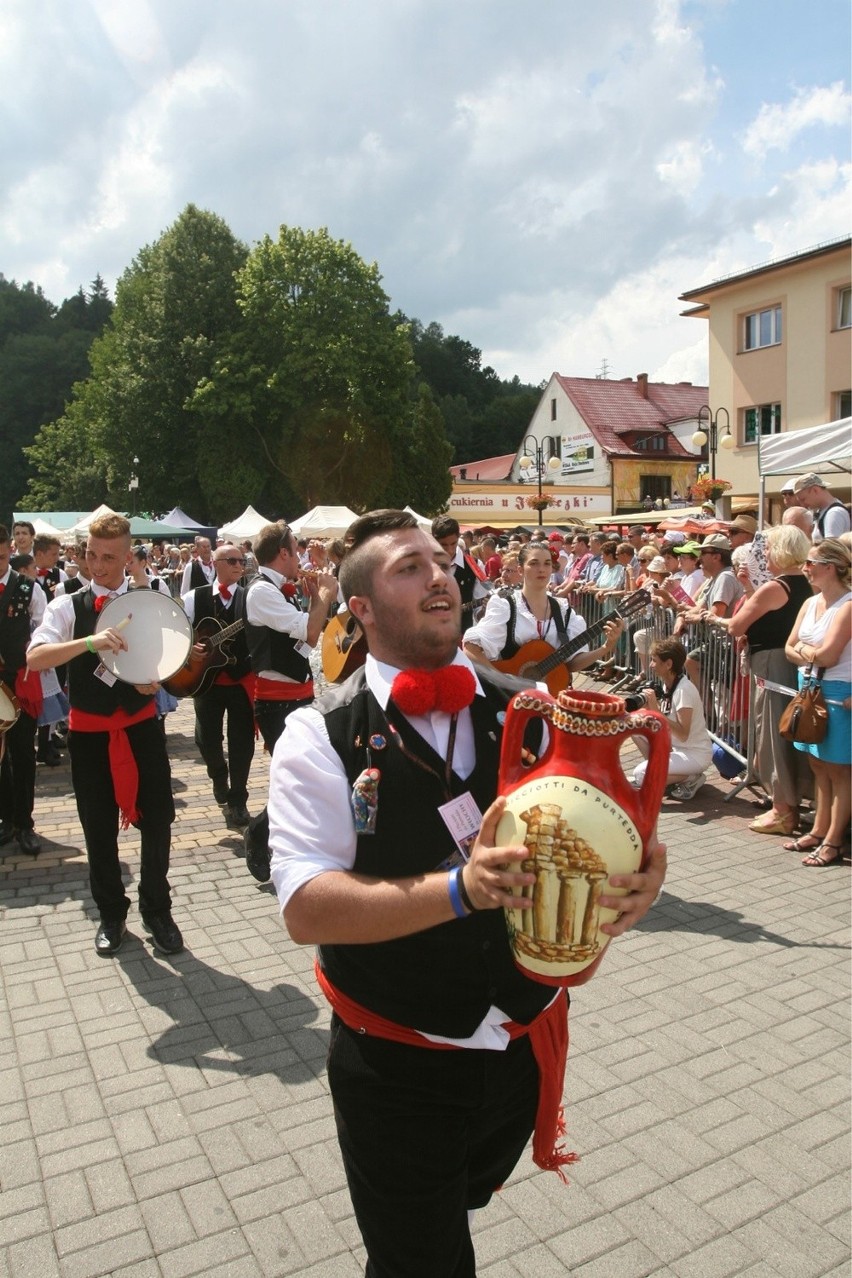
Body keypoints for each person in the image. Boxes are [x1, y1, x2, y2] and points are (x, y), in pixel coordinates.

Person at [268, 509, 666, 1278]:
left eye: (438, 560)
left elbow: (607, 821)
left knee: (456, 1210)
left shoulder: (528, 708)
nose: (439, 575)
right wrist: (461, 890)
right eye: (408, 568)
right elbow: (307, 907)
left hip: (519, 1048)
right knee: (421, 1259)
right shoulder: (319, 736)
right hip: (398, 1063)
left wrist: (645, 869)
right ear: (361, 609)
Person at [26, 513, 182, 956]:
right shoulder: (66, 605)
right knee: (97, 829)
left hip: (141, 728)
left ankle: (158, 910)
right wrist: (89, 643)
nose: (97, 565)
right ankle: (111, 914)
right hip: (89, 735)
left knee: (159, 821)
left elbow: (166, 657)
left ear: (127, 556)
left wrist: (154, 680)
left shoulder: (147, 599)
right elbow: (36, 657)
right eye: (90, 555)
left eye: (108, 557)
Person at [243, 521, 337, 881]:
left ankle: (291, 840)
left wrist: (315, 597)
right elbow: (311, 630)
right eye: (296, 551)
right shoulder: (260, 591)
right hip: (274, 700)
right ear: (283, 553)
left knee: (306, 774)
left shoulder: (280, 587)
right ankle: (260, 832)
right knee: (294, 777)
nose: (300, 557)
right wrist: (327, 595)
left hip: (301, 693)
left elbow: (308, 637)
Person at [713, 525, 812, 835]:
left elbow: (737, 625)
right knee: (789, 734)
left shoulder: (776, 587)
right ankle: (789, 804)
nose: (763, 554)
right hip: (792, 665)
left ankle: (783, 810)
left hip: (771, 665)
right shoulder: (810, 584)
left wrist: (715, 618)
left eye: (767, 548)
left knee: (772, 733)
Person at [462, 542, 623, 686]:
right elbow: (471, 647)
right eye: (534, 563)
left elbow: (571, 664)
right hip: (511, 701)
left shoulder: (563, 610)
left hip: (551, 698)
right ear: (520, 569)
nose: (541, 569)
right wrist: (504, 683)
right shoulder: (505, 606)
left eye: (547, 564)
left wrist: (605, 647)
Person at [783, 538, 852, 867]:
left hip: (837, 691)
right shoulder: (810, 603)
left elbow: (828, 654)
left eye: (810, 563)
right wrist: (811, 657)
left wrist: (806, 655)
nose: (805, 569)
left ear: (831, 566)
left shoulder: (849, 605)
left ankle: (834, 840)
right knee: (818, 763)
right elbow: (788, 647)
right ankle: (820, 827)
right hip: (808, 688)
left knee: (838, 769)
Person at [183, 544, 255, 830]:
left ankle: (238, 798)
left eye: (242, 560)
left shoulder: (252, 597)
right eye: (233, 560)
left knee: (242, 742)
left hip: (240, 679)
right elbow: (176, 632)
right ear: (216, 564)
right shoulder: (194, 598)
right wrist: (190, 650)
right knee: (206, 739)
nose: (240, 565)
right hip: (204, 680)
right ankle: (217, 775)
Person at [0, 527, 46, 853]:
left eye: (1, 556)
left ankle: (25, 822)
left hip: (18, 683)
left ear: (10, 550)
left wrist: (32, 648)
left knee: (23, 754)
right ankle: (6, 818)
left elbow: (45, 630)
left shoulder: (29, 588)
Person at [633, 637, 712, 800]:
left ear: (668, 664)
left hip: (694, 753)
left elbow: (683, 734)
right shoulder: (668, 684)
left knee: (641, 774)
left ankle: (691, 777)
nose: (651, 665)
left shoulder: (684, 690)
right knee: (635, 728)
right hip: (676, 748)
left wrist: (656, 712)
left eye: (654, 661)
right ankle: (665, 774)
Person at [431, 515, 490, 633]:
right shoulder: (423, 563)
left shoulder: (476, 566)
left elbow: (479, 613)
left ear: (459, 538)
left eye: (453, 543)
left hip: (461, 635)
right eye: (443, 545)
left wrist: (484, 610)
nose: (449, 550)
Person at [792, 473, 851, 542]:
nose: (803, 505)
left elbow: (832, 549)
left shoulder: (834, 513)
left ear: (815, 490)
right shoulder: (822, 511)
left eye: (803, 499)